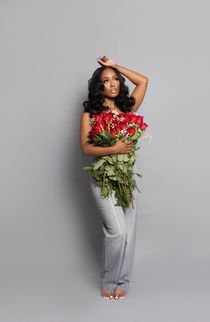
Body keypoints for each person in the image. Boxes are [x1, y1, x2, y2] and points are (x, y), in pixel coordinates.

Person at [80, 56, 148, 300]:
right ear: (99, 87)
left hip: (126, 178)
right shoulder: (91, 113)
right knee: (116, 231)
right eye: (106, 81)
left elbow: (143, 81)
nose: (112, 84)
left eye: (115, 79)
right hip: (102, 178)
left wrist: (116, 65)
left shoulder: (128, 108)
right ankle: (109, 282)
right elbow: (86, 148)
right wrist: (114, 149)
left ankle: (123, 282)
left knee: (129, 232)